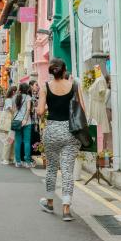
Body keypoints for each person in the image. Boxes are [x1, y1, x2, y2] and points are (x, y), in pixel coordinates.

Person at [36, 58, 86, 221]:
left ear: (51, 72)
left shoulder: (45, 87)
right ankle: (66, 209)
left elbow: (40, 111)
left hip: (52, 131)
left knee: (51, 169)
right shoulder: (74, 86)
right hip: (71, 132)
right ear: (64, 71)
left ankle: (50, 203)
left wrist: (49, 105)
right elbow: (82, 109)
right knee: (67, 171)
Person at [13, 83, 35, 168]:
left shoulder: (15, 97)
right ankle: (27, 162)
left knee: (18, 141)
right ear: (27, 89)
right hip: (27, 122)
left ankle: (18, 161)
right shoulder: (28, 97)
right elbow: (28, 109)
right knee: (27, 141)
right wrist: (25, 119)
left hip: (17, 121)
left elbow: (14, 109)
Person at [0, 85, 17, 165]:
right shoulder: (9, 100)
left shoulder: (10, 99)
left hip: (10, 122)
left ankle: (10, 158)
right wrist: (16, 112)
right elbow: (10, 109)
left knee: (12, 140)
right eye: (16, 91)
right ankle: (5, 158)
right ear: (13, 92)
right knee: (9, 140)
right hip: (9, 122)